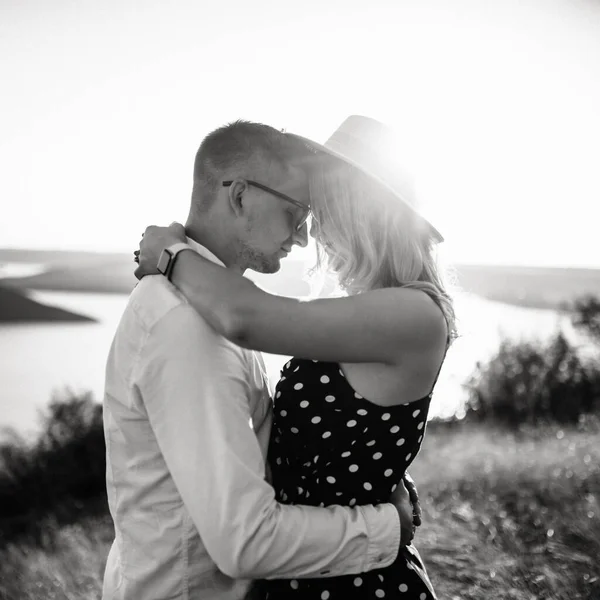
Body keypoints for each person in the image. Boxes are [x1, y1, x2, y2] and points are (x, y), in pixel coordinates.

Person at [135, 115, 457, 599]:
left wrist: (172, 253)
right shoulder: (376, 309)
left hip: (360, 586)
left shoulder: (415, 313)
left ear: (359, 209)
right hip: (306, 572)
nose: (314, 231)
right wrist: (386, 483)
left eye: (321, 208)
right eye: (304, 213)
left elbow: (245, 316)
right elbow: (361, 435)